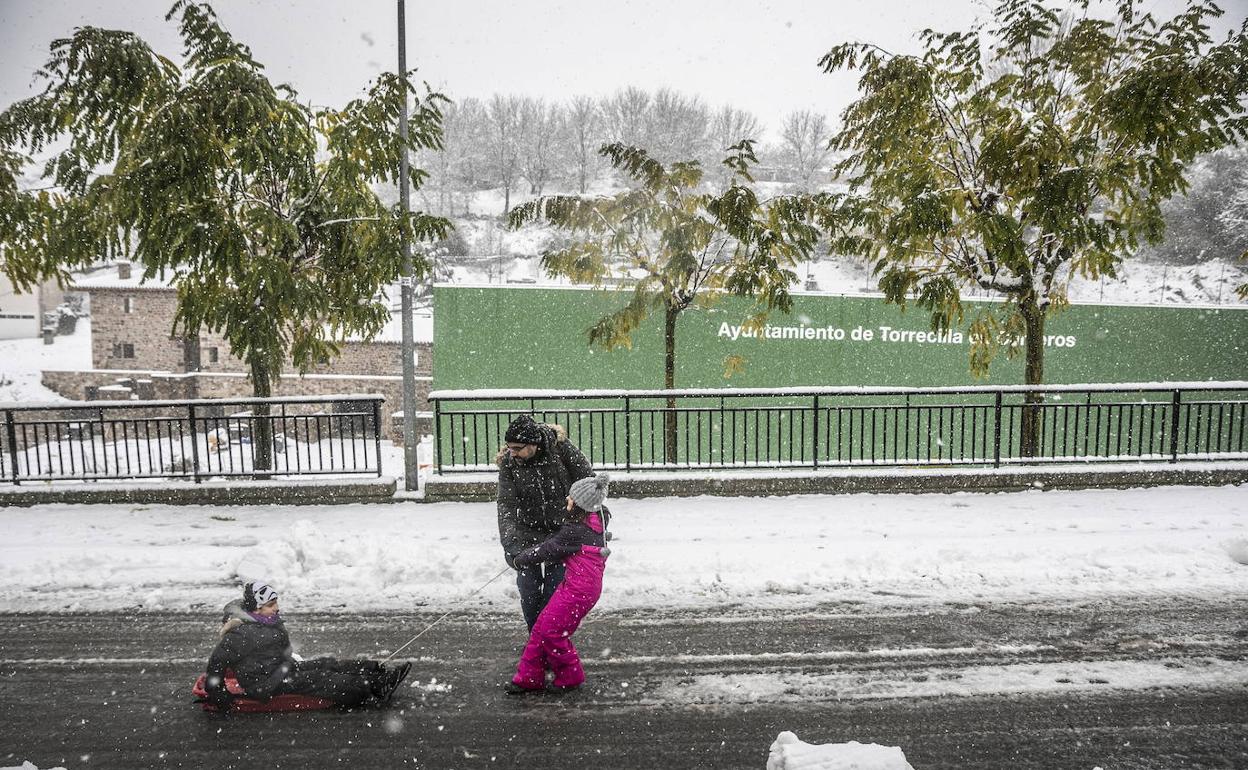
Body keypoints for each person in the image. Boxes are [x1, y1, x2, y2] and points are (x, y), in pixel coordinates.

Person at [201, 581, 411, 710]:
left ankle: (373, 669)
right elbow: (217, 663)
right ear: (256, 609)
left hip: (280, 669)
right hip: (266, 682)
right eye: (270, 605)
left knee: (326, 663)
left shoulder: (262, 622)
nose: (277, 608)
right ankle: (374, 687)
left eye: (276, 602)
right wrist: (217, 692)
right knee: (322, 678)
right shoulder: (241, 633)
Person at [504, 473, 611, 694]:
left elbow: (548, 549)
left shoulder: (576, 531)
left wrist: (520, 559)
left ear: (580, 504)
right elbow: (556, 544)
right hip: (578, 587)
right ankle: (528, 677)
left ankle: (570, 676)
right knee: (541, 629)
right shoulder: (593, 522)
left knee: (552, 632)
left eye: (571, 498)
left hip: (579, 591)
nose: (567, 501)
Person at [496, 414, 594, 631]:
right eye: (509, 447)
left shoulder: (561, 449)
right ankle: (538, 639)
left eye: (518, 447)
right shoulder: (510, 463)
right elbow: (506, 504)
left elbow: (588, 481)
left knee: (554, 591)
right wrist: (511, 544)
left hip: (561, 533)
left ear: (533, 444)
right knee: (528, 590)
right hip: (526, 532)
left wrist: (583, 518)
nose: (513, 452)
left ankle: (545, 641)